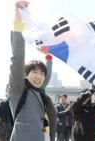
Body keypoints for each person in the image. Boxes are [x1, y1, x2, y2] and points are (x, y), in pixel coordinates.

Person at [6, 1, 57, 141]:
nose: (39, 76)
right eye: (34, 72)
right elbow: (17, 59)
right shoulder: (18, 88)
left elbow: (47, 76)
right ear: (25, 74)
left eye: (42, 73)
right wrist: (18, 25)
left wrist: (49, 57)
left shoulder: (39, 90)